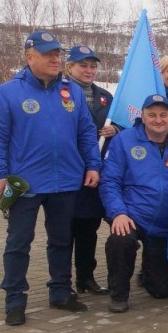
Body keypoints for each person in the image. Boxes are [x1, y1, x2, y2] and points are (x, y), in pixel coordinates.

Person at [0, 30, 101, 325]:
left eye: (57, 54)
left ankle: (61, 291)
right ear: (29, 57)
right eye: (48, 54)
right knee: (19, 242)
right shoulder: (6, 93)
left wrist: (93, 165)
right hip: (25, 184)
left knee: (62, 240)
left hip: (65, 181)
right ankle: (15, 299)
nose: (55, 59)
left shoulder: (70, 91)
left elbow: (86, 132)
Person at [99, 94, 168, 312]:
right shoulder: (124, 140)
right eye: (151, 114)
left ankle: (147, 273)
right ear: (142, 117)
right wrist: (118, 213)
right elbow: (110, 182)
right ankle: (118, 293)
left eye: (163, 115)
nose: (158, 120)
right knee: (120, 241)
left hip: (166, 223)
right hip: (132, 215)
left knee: (162, 291)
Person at [65, 45, 116, 297]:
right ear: (70, 67)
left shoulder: (105, 96)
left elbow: (120, 124)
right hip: (67, 171)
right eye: (82, 65)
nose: (89, 70)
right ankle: (63, 282)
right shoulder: (58, 93)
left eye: (92, 65)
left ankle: (86, 277)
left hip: (96, 172)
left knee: (88, 228)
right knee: (64, 231)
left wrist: (115, 130)